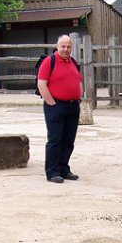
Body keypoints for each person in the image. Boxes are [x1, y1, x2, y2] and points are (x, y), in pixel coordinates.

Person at [37, 34, 83, 183]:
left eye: (68, 46)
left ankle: (64, 169)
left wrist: (79, 96)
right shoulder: (49, 62)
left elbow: (78, 81)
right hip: (56, 106)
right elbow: (41, 84)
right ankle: (52, 172)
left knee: (68, 140)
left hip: (72, 106)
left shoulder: (73, 62)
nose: (66, 49)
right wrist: (52, 103)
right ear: (57, 47)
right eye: (63, 46)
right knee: (55, 140)